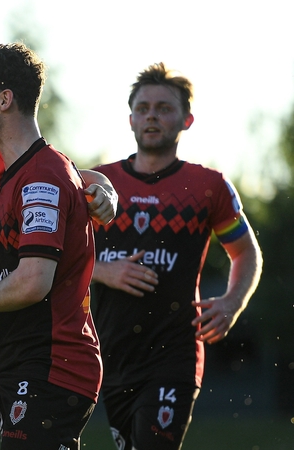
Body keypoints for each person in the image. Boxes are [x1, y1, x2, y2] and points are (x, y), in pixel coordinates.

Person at [0, 43, 102, 450]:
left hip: (52, 363)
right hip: (30, 362)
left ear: (4, 100)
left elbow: (33, 282)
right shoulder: (18, 173)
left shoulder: (42, 175)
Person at [89, 63, 263, 450]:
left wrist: (233, 302)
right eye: (144, 107)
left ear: (187, 119)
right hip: (112, 352)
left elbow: (246, 252)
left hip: (175, 352)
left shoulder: (208, 186)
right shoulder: (97, 183)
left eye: (164, 108)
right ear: (130, 118)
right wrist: (102, 270)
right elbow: (58, 255)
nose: (152, 115)